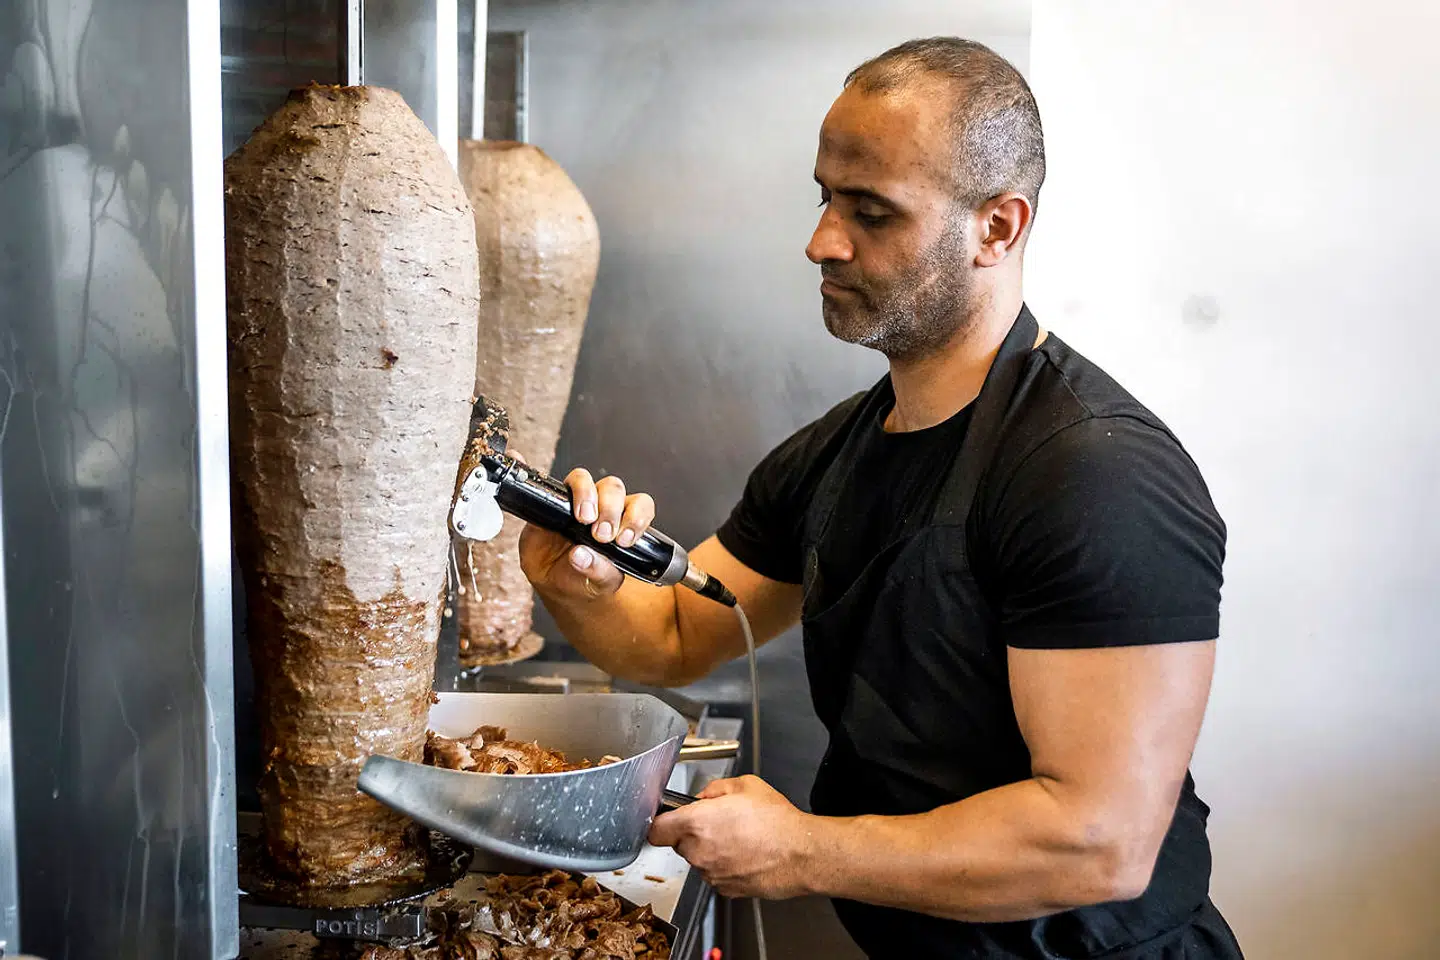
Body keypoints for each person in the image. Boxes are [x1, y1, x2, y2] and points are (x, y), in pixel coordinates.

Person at [517, 37, 1245, 960]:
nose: (822, 240)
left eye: (871, 212)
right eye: (824, 198)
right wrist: (574, 580)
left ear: (998, 227)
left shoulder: (1097, 474)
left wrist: (807, 851)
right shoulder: (842, 450)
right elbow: (673, 632)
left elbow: (1098, 841)